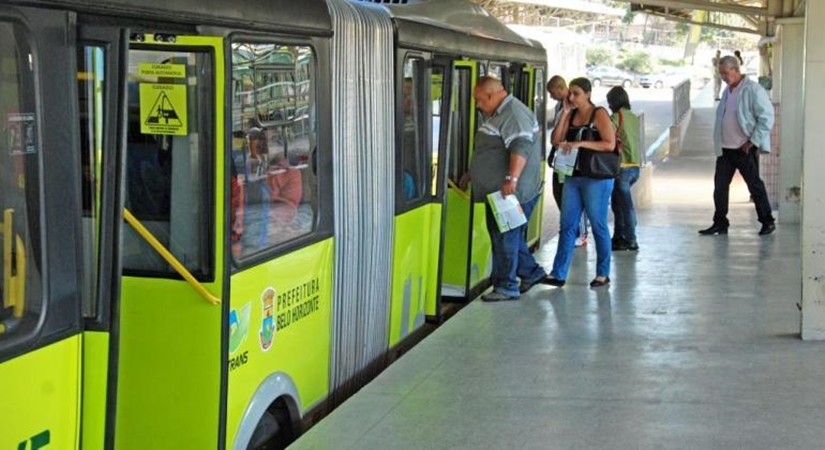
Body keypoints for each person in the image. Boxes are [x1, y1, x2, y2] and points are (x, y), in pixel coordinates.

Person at [464, 76, 547, 301]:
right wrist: (474, 173)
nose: (477, 105)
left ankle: (506, 286)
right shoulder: (500, 113)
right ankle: (531, 273)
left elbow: (520, 146)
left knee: (504, 237)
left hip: (510, 193)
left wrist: (512, 179)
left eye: (479, 100)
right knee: (508, 236)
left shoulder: (513, 113)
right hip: (502, 192)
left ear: (491, 95)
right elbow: (494, 150)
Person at [545, 77, 616, 288]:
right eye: (571, 94)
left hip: (596, 178)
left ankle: (602, 273)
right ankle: (558, 273)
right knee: (567, 225)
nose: (572, 97)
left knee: (598, 224)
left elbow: (609, 144)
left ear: (588, 94)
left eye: (576, 93)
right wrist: (565, 113)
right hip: (572, 176)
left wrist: (581, 143)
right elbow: (555, 141)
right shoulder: (570, 113)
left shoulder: (599, 113)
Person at [699, 55, 776, 236]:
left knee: (755, 186)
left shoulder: (753, 90)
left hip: (744, 148)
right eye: (721, 74)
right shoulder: (728, 91)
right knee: (720, 188)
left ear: (735, 70)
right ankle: (720, 223)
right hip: (725, 149)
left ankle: (767, 221)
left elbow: (767, 117)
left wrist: (752, 142)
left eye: (726, 73)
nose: (724, 77)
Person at [546, 75, 588, 247]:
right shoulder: (560, 107)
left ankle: (580, 233)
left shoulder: (579, 110)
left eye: (552, 92)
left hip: (572, 157)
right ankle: (570, 229)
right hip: (561, 157)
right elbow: (556, 136)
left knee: (573, 197)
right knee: (559, 193)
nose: (550, 96)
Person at [606, 86, 642, 251]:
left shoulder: (616, 117)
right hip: (635, 167)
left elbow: (607, 136)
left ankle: (631, 239)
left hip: (623, 167)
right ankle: (618, 237)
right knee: (618, 203)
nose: (609, 106)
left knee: (625, 205)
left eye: (609, 102)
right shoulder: (634, 117)